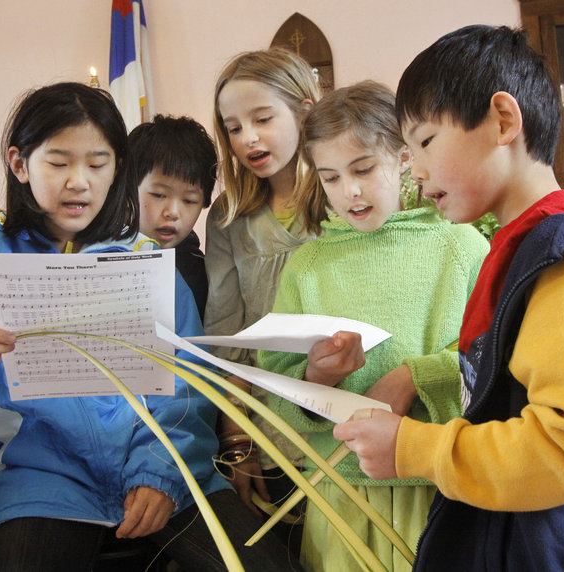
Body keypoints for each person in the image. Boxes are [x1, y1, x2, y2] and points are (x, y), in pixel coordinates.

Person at [0, 82, 292, 572]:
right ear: (19, 163)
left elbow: (189, 385)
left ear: (117, 170)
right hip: (41, 483)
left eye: (97, 163)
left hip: (169, 474)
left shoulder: (148, 261)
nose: (80, 182)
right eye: (58, 162)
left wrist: (160, 471)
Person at [333, 25, 564, 571]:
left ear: (503, 121)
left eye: (424, 141)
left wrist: (414, 448)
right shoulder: (524, 249)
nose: (415, 173)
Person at [257, 81, 489, 572]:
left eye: (363, 169)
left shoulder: (460, 246)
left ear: (404, 156)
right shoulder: (307, 267)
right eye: (331, 177)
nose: (350, 191)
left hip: (437, 479)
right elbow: (276, 384)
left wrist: (413, 377)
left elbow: (493, 352)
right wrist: (318, 377)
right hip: (340, 489)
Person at [204, 48, 321, 555]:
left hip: (346, 419)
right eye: (233, 127)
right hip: (270, 426)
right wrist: (237, 437)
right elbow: (228, 336)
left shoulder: (349, 197)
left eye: (262, 118)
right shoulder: (230, 216)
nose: (247, 138)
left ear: (304, 109)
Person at [128, 114, 217, 321]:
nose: (173, 212)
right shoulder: (94, 253)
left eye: (189, 200)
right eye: (159, 195)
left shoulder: (201, 277)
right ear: (127, 189)